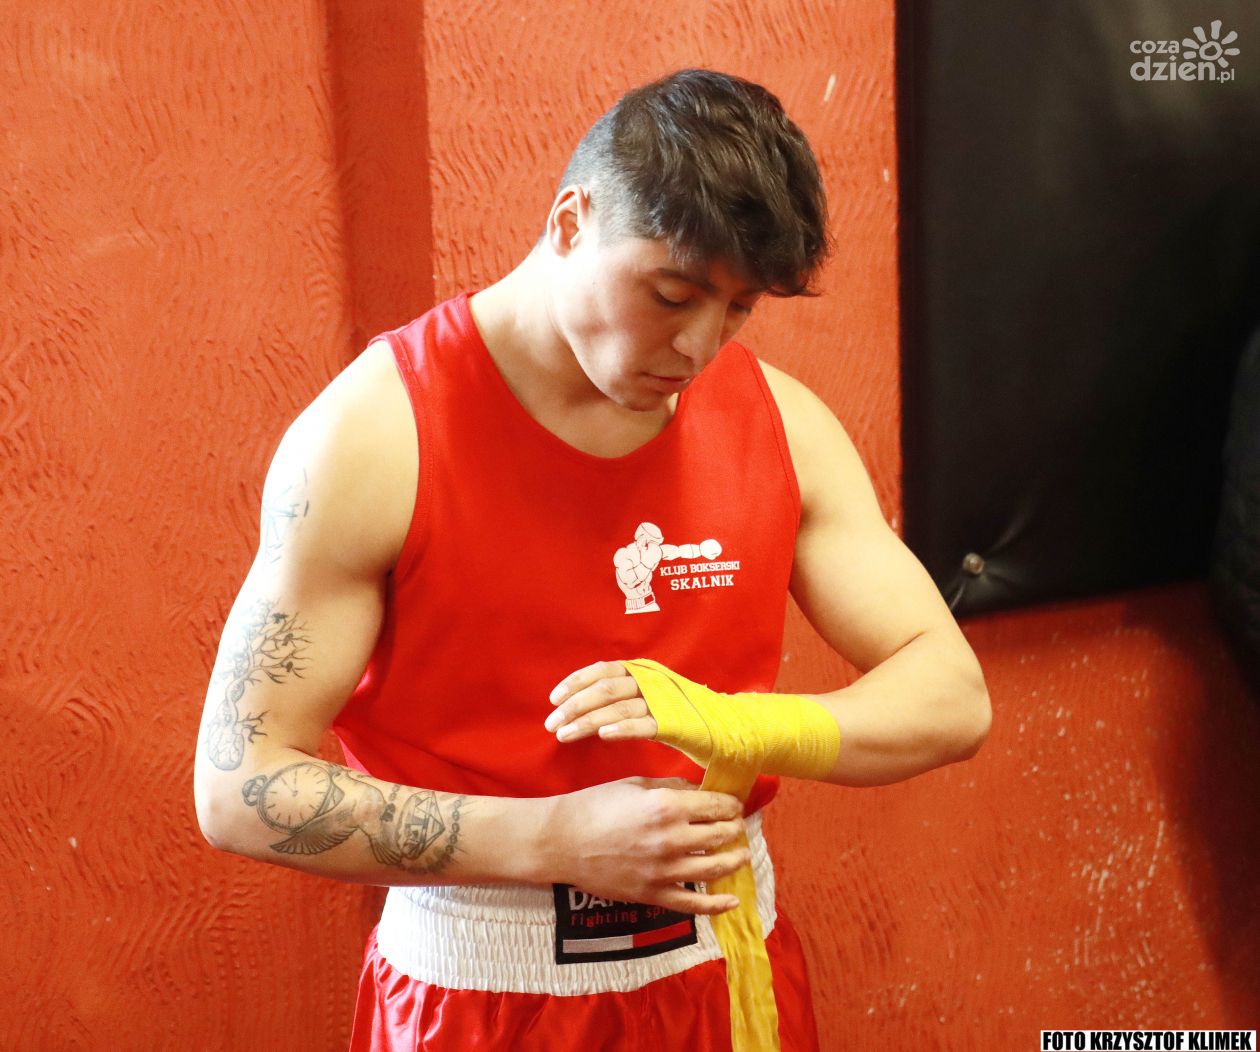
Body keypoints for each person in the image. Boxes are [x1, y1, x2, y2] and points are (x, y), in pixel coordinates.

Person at [193, 68, 992, 1051]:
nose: (699, 344)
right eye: (672, 294)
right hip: (481, 995)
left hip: (725, 975)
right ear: (570, 222)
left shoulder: (781, 424)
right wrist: (551, 839)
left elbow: (952, 696)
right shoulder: (374, 436)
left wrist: (737, 725)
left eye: (739, 309)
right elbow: (239, 787)